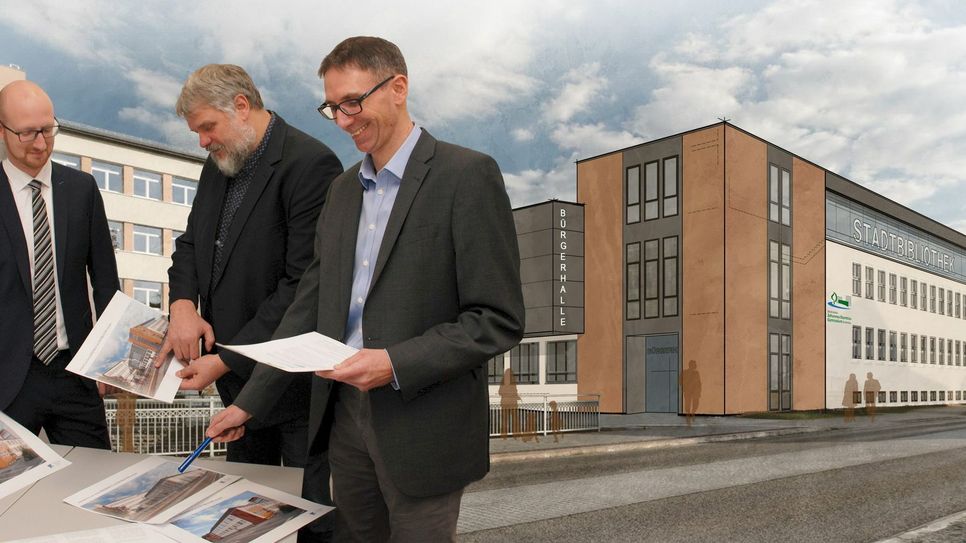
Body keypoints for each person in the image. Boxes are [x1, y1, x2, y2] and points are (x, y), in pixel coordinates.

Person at [206, 37, 525, 542]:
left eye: (353, 102)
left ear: (398, 88)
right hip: (341, 417)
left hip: (421, 424)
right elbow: (306, 305)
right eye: (332, 107)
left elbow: (497, 318)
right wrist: (250, 402)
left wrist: (394, 363)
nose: (343, 119)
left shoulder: (467, 175)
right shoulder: (342, 191)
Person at [161, 65, 343, 538]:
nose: (202, 141)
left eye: (207, 127)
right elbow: (191, 245)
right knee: (242, 521)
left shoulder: (311, 164)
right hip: (238, 393)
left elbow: (302, 286)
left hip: (296, 391)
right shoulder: (219, 164)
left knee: (313, 520)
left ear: (241, 106)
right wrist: (182, 303)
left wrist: (224, 359)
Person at [0, 80, 118, 448]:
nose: (40, 144)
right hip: (8, 379)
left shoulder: (82, 189)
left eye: (48, 130)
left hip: (77, 374)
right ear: (1, 131)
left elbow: (105, 281)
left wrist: (110, 361)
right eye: (26, 133)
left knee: (96, 480)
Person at [680, 359, 701, 427]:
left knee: (696, 404)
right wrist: (684, 386)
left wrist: (699, 390)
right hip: (688, 391)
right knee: (688, 405)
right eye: (694, 364)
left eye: (695, 364)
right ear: (691, 365)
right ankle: (688, 418)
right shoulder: (684, 372)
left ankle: (692, 413)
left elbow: (699, 382)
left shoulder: (696, 373)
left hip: (695, 391)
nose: (695, 365)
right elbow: (680, 381)